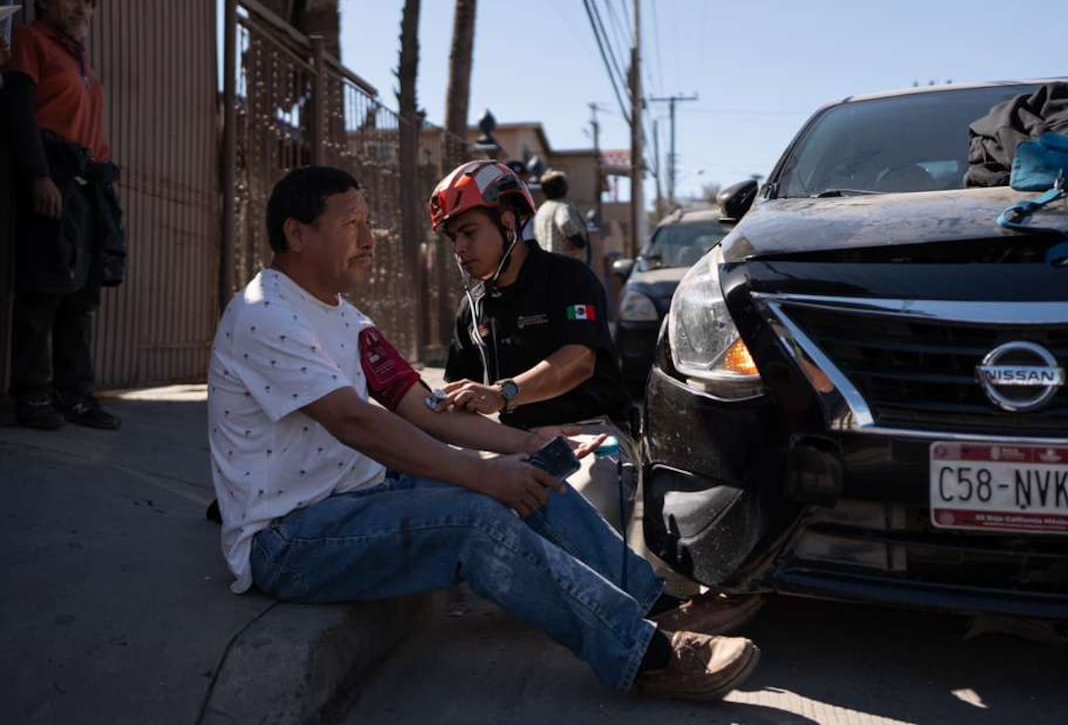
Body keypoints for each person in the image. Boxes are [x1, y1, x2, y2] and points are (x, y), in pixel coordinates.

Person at [207, 165, 762, 700]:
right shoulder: (265, 313)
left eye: (367, 221)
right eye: (351, 223)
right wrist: (480, 475)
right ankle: (648, 658)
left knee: (531, 476)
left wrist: (528, 445)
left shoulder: (347, 318)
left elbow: (417, 403)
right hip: (290, 540)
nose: (369, 238)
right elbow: (358, 423)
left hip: (357, 498)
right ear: (296, 233)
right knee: (478, 518)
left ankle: (654, 603)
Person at [1, 0, 125, 430]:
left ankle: (75, 396)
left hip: (88, 187)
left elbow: (94, 131)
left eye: (89, 1)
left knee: (83, 296)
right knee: (44, 291)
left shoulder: (82, 60)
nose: (82, 8)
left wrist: (106, 184)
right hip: (52, 178)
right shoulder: (32, 42)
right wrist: (38, 177)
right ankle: (32, 397)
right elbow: (17, 112)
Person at [433, 161, 626, 429]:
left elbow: (579, 361)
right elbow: (460, 392)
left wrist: (503, 394)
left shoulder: (571, 278)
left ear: (508, 223)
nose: (460, 248)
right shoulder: (472, 307)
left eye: (468, 232)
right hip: (518, 441)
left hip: (592, 431)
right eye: (454, 238)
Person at [533, 169, 591, 264]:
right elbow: (565, 222)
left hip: (546, 264)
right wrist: (580, 243)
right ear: (562, 187)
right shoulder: (562, 207)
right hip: (564, 265)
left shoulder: (541, 210)